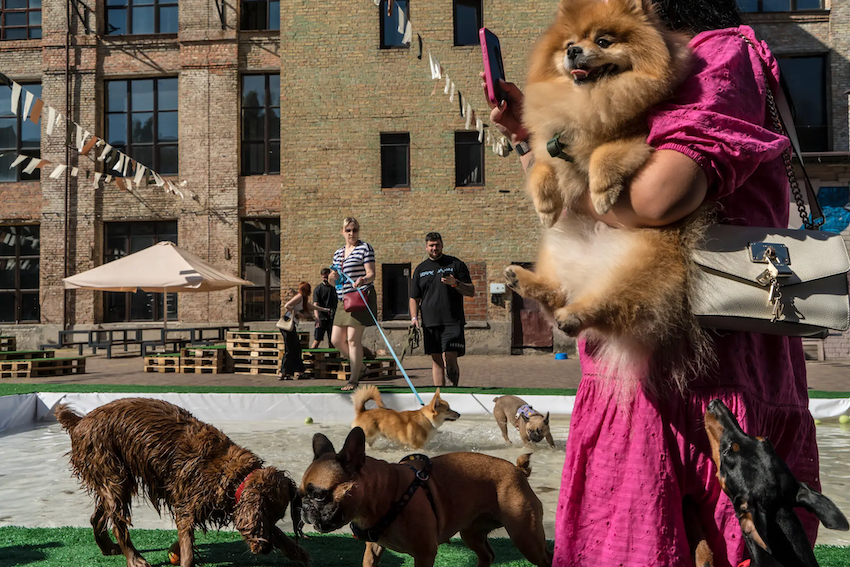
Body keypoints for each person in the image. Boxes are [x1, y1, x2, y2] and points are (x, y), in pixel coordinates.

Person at [485, 2, 819, 566]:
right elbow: (576, 207)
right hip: (634, 380)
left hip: (715, 374)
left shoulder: (719, 55)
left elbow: (659, 198)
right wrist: (532, 137)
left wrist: (573, 165)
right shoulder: (626, 70)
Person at [409, 232, 475, 387]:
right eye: (431, 245)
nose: (434, 248)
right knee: (436, 359)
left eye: (437, 245)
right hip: (430, 322)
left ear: (442, 245)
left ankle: (455, 389)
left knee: (450, 356)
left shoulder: (455, 264)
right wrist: (414, 318)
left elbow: (471, 291)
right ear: (426, 247)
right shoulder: (420, 269)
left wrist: (456, 283)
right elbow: (414, 297)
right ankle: (440, 395)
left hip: (452, 320)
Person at [329, 217, 378, 391]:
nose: (352, 233)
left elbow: (371, 274)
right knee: (335, 339)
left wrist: (363, 279)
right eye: (348, 230)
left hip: (359, 298)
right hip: (343, 300)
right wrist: (331, 278)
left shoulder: (365, 248)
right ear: (342, 232)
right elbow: (334, 281)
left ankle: (354, 379)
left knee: (352, 339)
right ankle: (362, 369)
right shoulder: (338, 253)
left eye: (355, 230)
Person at [278, 282, 331, 380]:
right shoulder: (299, 296)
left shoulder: (303, 299)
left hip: (291, 325)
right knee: (290, 348)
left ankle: (298, 371)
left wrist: (325, 310)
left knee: (296, 348)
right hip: (287, 325)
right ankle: (284, 372)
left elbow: (312, 307)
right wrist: (297, 313)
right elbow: (287, 305)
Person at [311, 267, 337, 348]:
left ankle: (333, 358)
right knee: (317, 339)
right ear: (321, 277)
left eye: (326, 277)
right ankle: (311, 356)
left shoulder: (334, 288)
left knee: (333, 340)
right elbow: (315, 305)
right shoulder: (318, 289)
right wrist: (317, 318)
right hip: (322, 317)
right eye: (323, 277)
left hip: (333, 317)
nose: (325, 279)